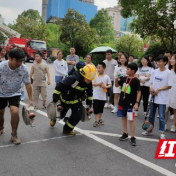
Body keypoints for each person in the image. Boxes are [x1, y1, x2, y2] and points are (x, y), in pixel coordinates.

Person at [52, 64, 97, 135]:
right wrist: (55, 99)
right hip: (65, 100)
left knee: (77, 116)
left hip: (76, 101)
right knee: (60, 115)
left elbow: (89, 93)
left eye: (91, 79)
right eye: (89, 78)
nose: (90, 80)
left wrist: (89, 104)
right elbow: (59, 86)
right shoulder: (74, 79)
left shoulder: (88, 81)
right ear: (83, 75)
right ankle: (54, 118)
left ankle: (67, 129)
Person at [0, 48, 32, 144]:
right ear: (10, 58)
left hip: (15, 93)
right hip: (1, 92)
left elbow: (27, 84)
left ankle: (14, 135)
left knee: (14, 112)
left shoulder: (23, 68)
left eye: (22, 61)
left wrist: (30, 99)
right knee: (0, 113)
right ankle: (1, 126)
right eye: (17, 61)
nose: (20, 63)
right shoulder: (1, 67)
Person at [142, 55, 172, 139]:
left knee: (161, 116)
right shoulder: (154, 71)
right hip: (153, 97)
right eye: (157, 61)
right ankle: (149, 130)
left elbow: (169, 86)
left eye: (160, 61)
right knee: (151, 115)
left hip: (162, 98)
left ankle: (161, 132)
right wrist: (151, 89)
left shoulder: (168, 73)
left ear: (165, 62)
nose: (158, 63)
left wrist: (159, 89)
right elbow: (151, 82)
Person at [115, 63, 141, 146]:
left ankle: (132, 137)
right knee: (123, 117)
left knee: (131, 120)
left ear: (133, 71)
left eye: (128, 69)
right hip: (122, 102)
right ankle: (125, 133)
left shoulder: (136, 80)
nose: (126, 70)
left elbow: (138, 92)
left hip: (131, 103)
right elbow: (117, 85)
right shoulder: (124, 79)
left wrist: (136, 103)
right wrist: (116, 78)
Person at [92, 62, 111, 127]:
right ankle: (96, 120)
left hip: (103, 95)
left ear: (104, 69)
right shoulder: (95, 76)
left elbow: (110, 85)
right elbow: (92, 83)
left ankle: (99, 119)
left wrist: (106, 86)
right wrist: (99, 84)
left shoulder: (106, 77)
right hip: (95, 94)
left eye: (100, 68)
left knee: (101, 108)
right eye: (98, 67)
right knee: (96, 107)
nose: (98, 69)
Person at [165, 54, 176, 132]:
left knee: (175, 109)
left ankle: (173, 125)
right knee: (166, 109)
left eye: (174, 59)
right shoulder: (167, 70)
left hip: (175, 90)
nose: (171, 60)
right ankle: (164, 124)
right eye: (171, 59)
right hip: (167, 90)